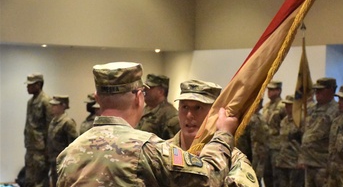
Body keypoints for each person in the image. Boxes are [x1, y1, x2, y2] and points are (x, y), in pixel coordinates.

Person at [57, 62, 240, 186]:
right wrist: (224, 133)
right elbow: (209, 177)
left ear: (97, 98)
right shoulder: (148, 149)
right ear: (138, 97)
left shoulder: (68, 154)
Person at [168, 79, 259, 187]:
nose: (189, 115)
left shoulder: (233, 160)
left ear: (214, 113)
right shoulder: (163, 152)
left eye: (198, 108)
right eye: (184, 107)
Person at [298, 77, 339, 187]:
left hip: (323, 164)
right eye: (316, 90)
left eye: (321, 90)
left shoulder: (337, 110)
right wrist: (302, 158)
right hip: (309, 163)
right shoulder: (311, 109)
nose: (317, 93)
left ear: (331, 90)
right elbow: (305, 134)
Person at [24, 73, 52, 187]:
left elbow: (49, 126)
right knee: (29, 180)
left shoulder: (46, 101)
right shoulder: (30, 102)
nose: (27, 87)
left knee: (40, 181)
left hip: (41, 148)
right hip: (31, 146)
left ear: (38, 84)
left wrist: (48, 149)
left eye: (30, 85)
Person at [136, 74, 180, 139]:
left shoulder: (170, 115)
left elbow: (175, 146)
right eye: (145, 87)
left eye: (149, 88)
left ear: (161, 92)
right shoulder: (144, 109)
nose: (144, 90)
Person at [47, 95, 78, 187]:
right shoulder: (53, 121)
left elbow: (73, 144)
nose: (52, 107)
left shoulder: (67, 122)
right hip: (53, 160)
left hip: (63, 162)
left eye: (55, 105)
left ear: (63, 106)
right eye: (52, 105)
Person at [236, 99, 268, 186]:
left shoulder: (256, 120)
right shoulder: (244, 118)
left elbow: (258, 150)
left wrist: (256, 174)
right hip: (240, 166)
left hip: (249, 169)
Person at [276, 95, 304, 187]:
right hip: (283, 161)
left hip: (294, 162)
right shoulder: (284, 121)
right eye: (286, 105)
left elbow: (304, 141)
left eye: (289, 105)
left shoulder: (300, 121)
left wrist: (301, 159)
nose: (286, 107)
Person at [262, 80, 286, 187]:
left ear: (279, 90)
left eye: (272, 90)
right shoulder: (266, 105)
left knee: (277, 177)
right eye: (269, 89)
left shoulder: (283, 106)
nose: (269, 92)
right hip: (266, 146)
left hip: (277, 147)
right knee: (266, 175)